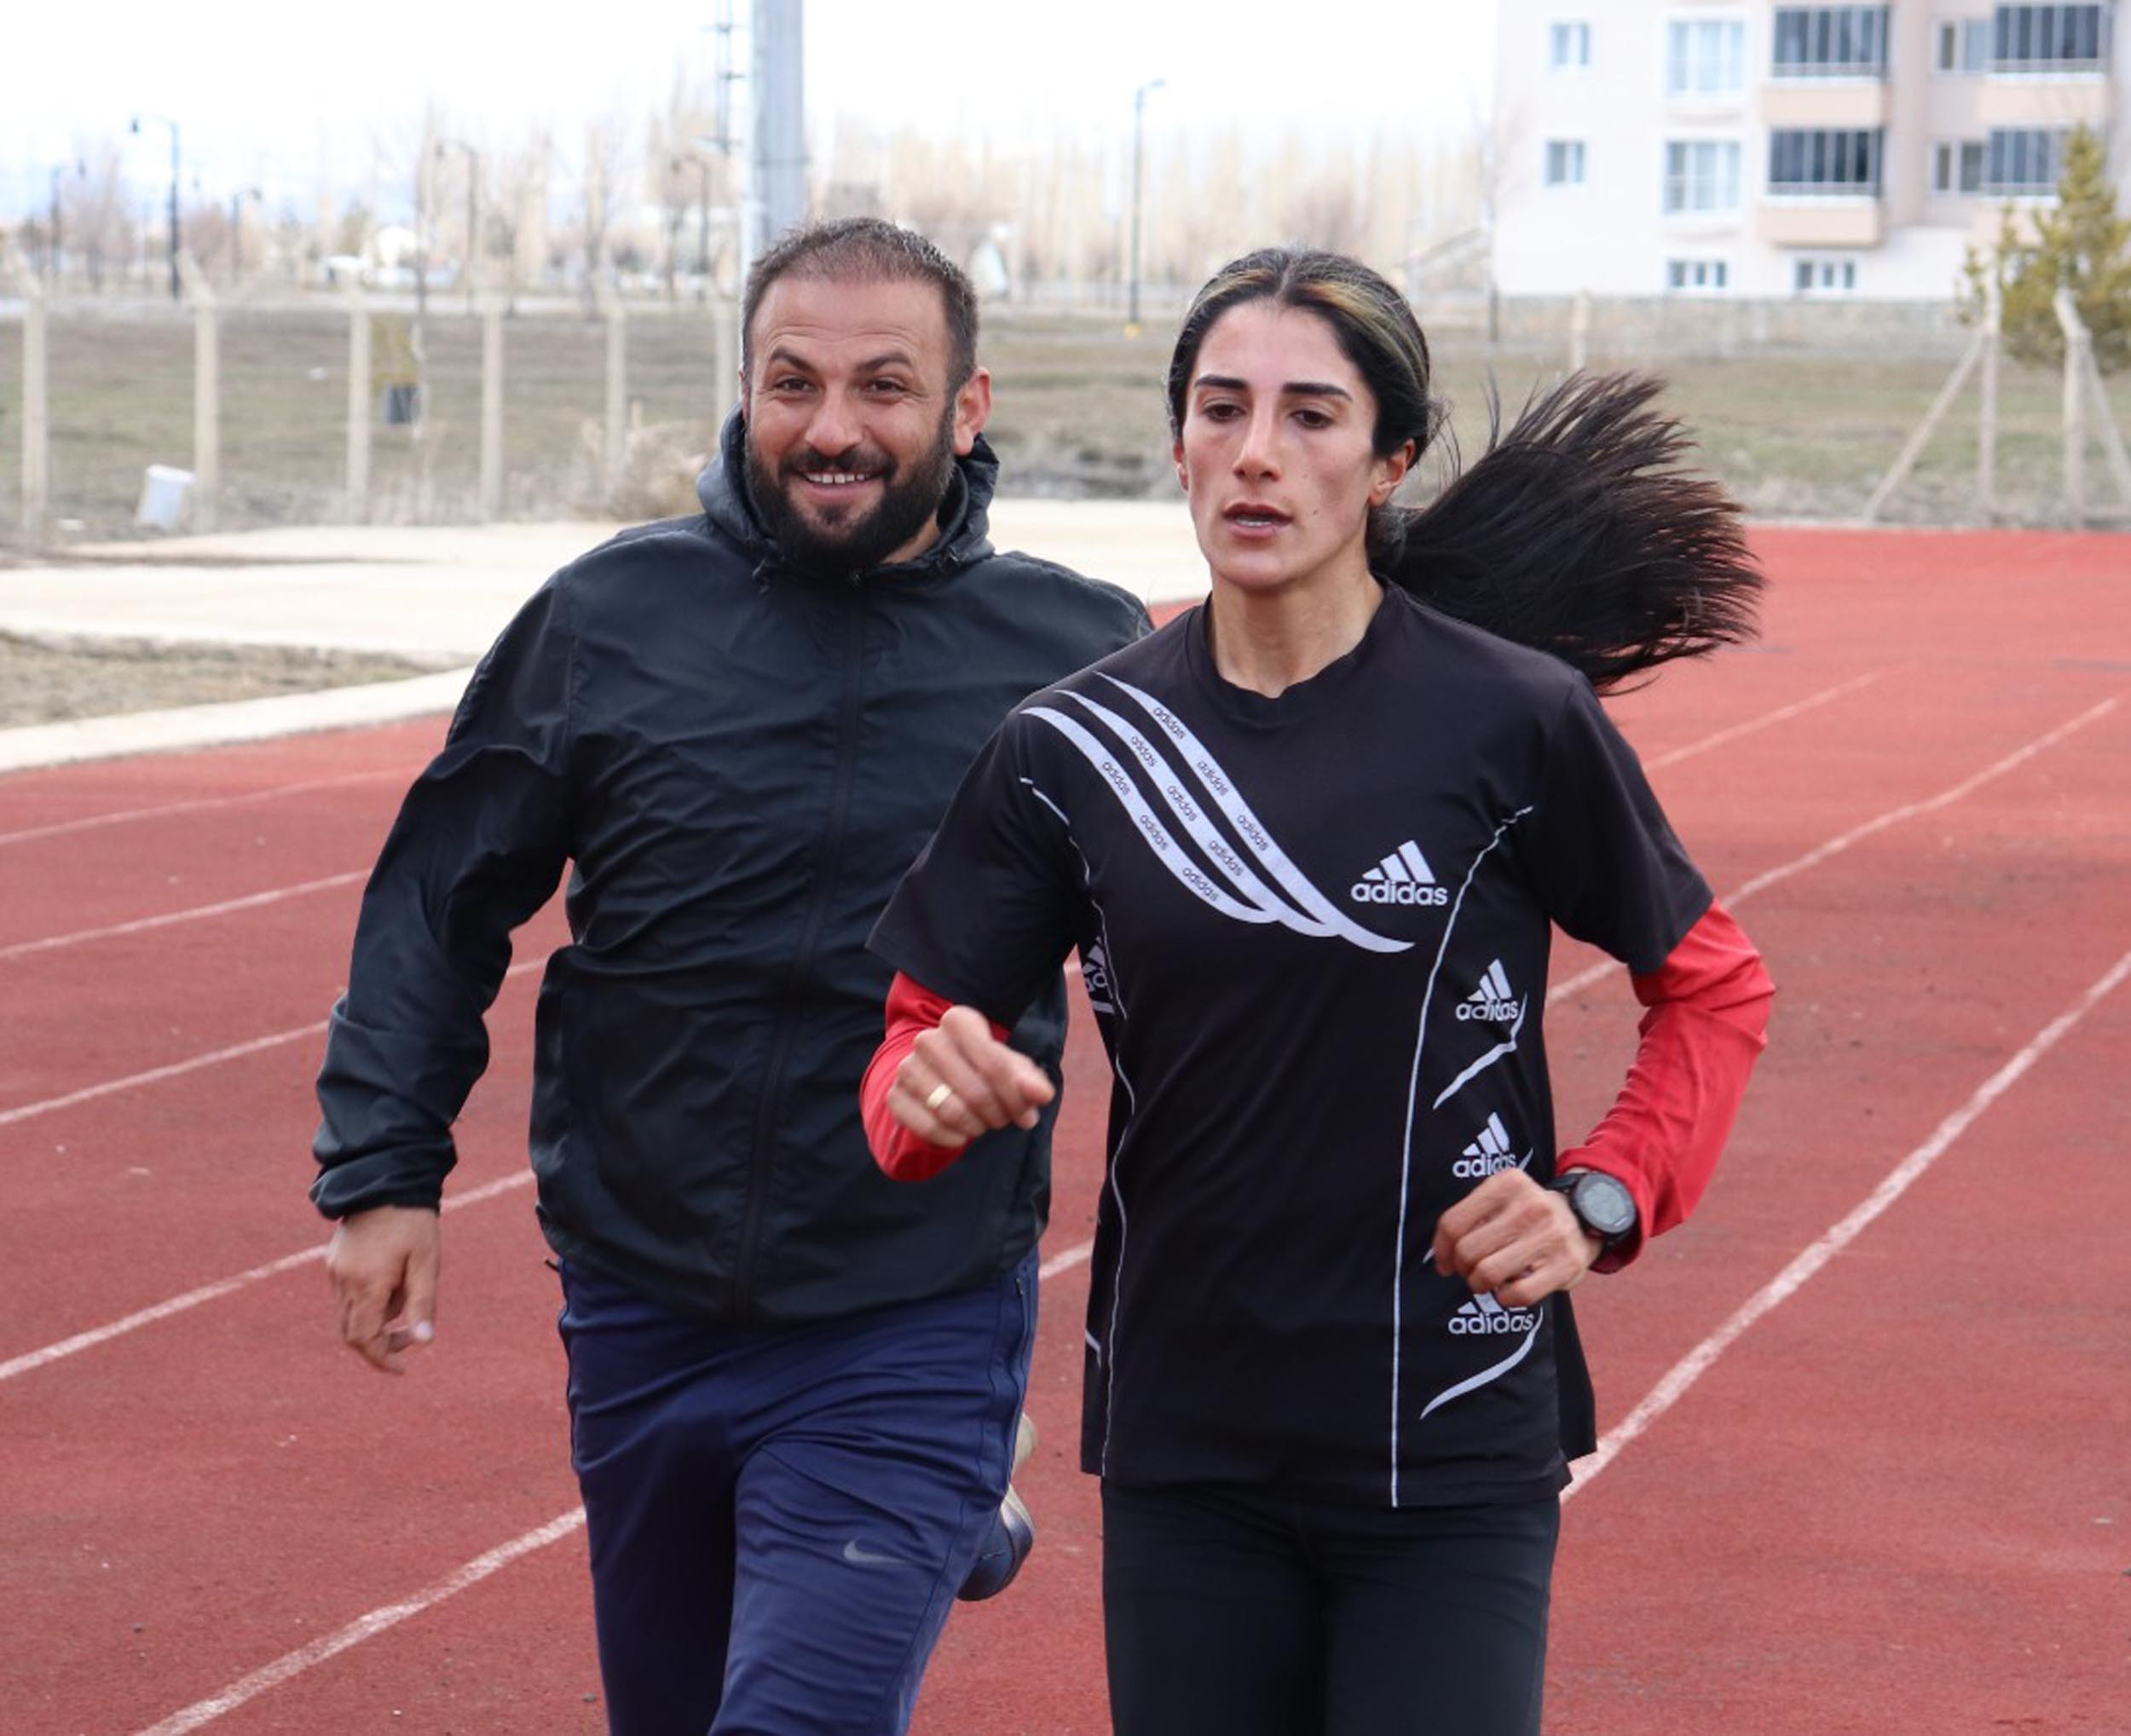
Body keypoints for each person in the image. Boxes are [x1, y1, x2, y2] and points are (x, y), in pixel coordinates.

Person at [861, 247, 1775, 1735]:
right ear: (1177, 444)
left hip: (1451, 1437)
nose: (1258, 455)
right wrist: (922, 1096)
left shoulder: (1512, 719)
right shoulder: (1072, 748)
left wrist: (1598, 1198)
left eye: (1313, 416)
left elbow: (1714, 988)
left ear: (1389, 456)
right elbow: (909, 1058)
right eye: (1221, 411)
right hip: (1189, 1450)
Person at [309, 217, 1150, 1736]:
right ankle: (959, 1509)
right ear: (746, 389)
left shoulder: (1076, 653)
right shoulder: (609, 617)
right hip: (641, 1296)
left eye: (885, 387)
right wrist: (385, 1171)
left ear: (967, 409)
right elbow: (440, 896)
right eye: (794, 382)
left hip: (912, 1302)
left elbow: (1201, 952)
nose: (834, 428)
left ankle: (940, 1471)